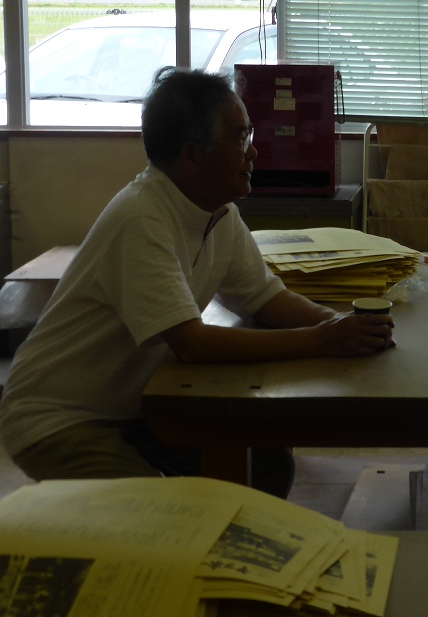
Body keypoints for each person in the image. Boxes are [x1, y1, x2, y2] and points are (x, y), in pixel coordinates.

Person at [0, 67, 395, 498]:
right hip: (61, 416)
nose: (253, 151)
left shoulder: (219, 213)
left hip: (135, 408)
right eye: (240, 138)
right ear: (192, 155)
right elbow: (193, 343)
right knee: (157, 515)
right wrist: (320, 341)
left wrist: (339, 324)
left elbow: (265, 299)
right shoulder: (141, 218)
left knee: (264, 465)